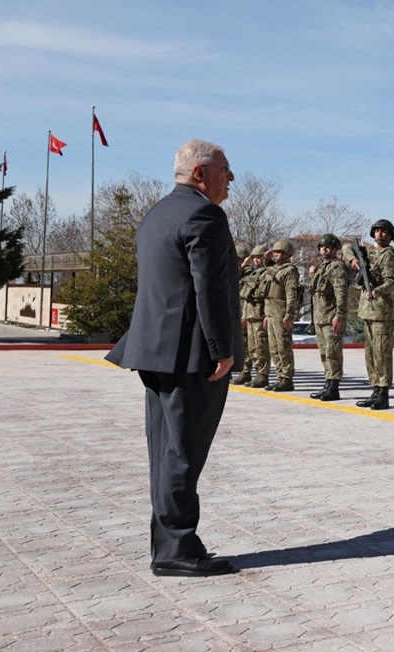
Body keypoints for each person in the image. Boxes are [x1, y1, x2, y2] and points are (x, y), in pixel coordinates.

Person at [104, 139, 238, 577]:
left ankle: (171, 542)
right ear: (201, 173)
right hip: (191, 355)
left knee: (164, 451)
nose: (230, 178)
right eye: (225, 169)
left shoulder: (159, 212)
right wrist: (222, 350)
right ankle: (176, 549)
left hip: (155, 351)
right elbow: (209, 289)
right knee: (182, 451)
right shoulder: (205, 215)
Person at [348, 219, 394, 410]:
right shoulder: (368, 252)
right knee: (370, 354)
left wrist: (377, 291)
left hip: (381, 311)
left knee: (381, 354)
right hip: (366, 311)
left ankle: (383, 392)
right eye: (377, 231)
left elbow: (390, 282)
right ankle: (375, 389)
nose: (380, 234)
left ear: (390, 235)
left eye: (384, 231)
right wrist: (353, 259)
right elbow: (348, 248)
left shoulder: (388, 255)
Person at [306, 233, 350, 401]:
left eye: (327, 246)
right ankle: (328, 382)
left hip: (331, 316)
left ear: (334, 249)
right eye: (322, 247)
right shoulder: (322, 267)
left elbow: (341, 294)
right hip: (320, 317)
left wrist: (339, 316)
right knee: (324, 353)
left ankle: (334, 386)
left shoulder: (337, 267)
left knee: (333, 353)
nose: (324, 249)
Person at [262, 240, 301, 392]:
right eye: (275, 252)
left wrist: (289, 315)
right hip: (270, 311)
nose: (276, 255)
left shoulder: (289, 271)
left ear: (288, 254)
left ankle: (287, 378)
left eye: (279, 252)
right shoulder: (274, 269)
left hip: (281, 310)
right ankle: (280, 376)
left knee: (283, 346)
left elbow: (291, 294)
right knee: (274, 347)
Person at [236, 243, 271, 388]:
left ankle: (262, 374)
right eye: (255, 258)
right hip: (248, 313)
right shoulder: (249, 272)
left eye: (260, 257)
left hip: (259, 314)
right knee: (250, 347)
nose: (257, 260)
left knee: (260, 347)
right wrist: (242, 267)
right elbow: (233, 279)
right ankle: (249, 372)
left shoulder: (267, 272)